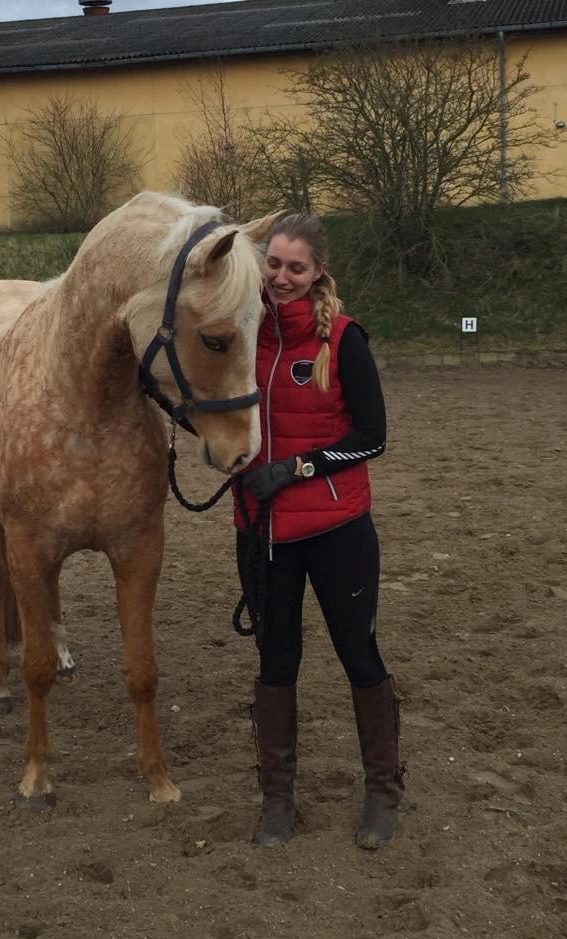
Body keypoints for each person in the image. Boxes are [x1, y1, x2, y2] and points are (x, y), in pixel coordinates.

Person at [234, 213, 404, 849]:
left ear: (317, 273)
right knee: (276, 662)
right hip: (261, 530)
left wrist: (297, 467)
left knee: (358, 655)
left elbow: (373, 437)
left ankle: (383, 792)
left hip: (338, 528)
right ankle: (278, 800)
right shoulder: (239, 333)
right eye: (273, 265)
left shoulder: (344, 339)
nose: (280, 278)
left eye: (294, 268)